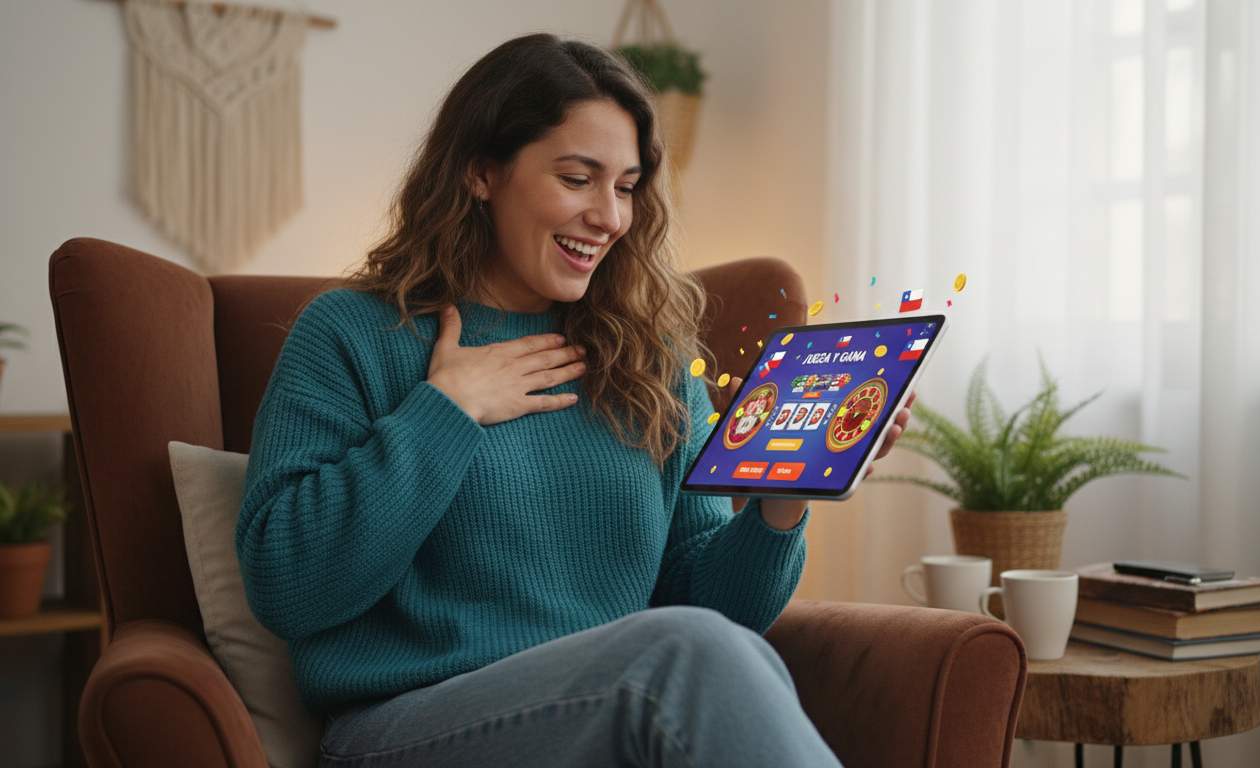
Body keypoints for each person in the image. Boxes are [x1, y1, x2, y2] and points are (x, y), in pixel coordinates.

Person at [236, 33, 915, 768]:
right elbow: (289, 588)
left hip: (606, 718)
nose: (610, 217)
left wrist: (786, 498)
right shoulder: (355, 333)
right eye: (577, 178)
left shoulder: (649, 354)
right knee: (679, 659)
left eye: (624, 187)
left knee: (689, 653)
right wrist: (446, 411)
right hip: (406, 730)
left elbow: (715, 614)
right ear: (482, 171)